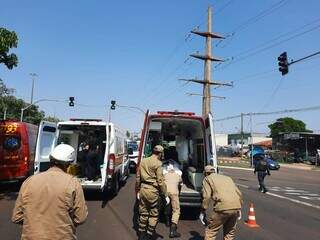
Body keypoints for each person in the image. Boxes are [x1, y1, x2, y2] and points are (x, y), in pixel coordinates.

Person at [12, 144, 88, 240]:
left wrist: (34, 223)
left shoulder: (29, 182)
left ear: (50, 160)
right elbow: (80, 217)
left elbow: (16, 217)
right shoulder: (73, 183)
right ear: (68, 165)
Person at [136, 145, 169, 240]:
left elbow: (138, 178)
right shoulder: (158, 164)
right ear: (160, 153)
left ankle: (141, 235)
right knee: (154, 213)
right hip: (153, 191)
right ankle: (149, 235)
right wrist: (165, 194)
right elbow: (160, 181)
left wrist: (138, 189)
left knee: (143, 213)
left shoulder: (143, 161)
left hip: (143, 189)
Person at [200, 165, 242, 240]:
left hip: (222, 207)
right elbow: (239, 193)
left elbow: (206, 196)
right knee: (229, 232)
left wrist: (203, 210)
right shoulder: (228, 178)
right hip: (236, 206)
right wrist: (239, 208)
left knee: (211, 231)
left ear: (205, 173)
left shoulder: (207, 179)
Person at [163, 162, 182, 238]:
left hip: (166, 193)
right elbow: (181, 183)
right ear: (174, 169)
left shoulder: (165, 175)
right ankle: (172, 230)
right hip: (174, 194)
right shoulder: (177, 176)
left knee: (166, 206)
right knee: (176, 210)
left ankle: (167, 221)